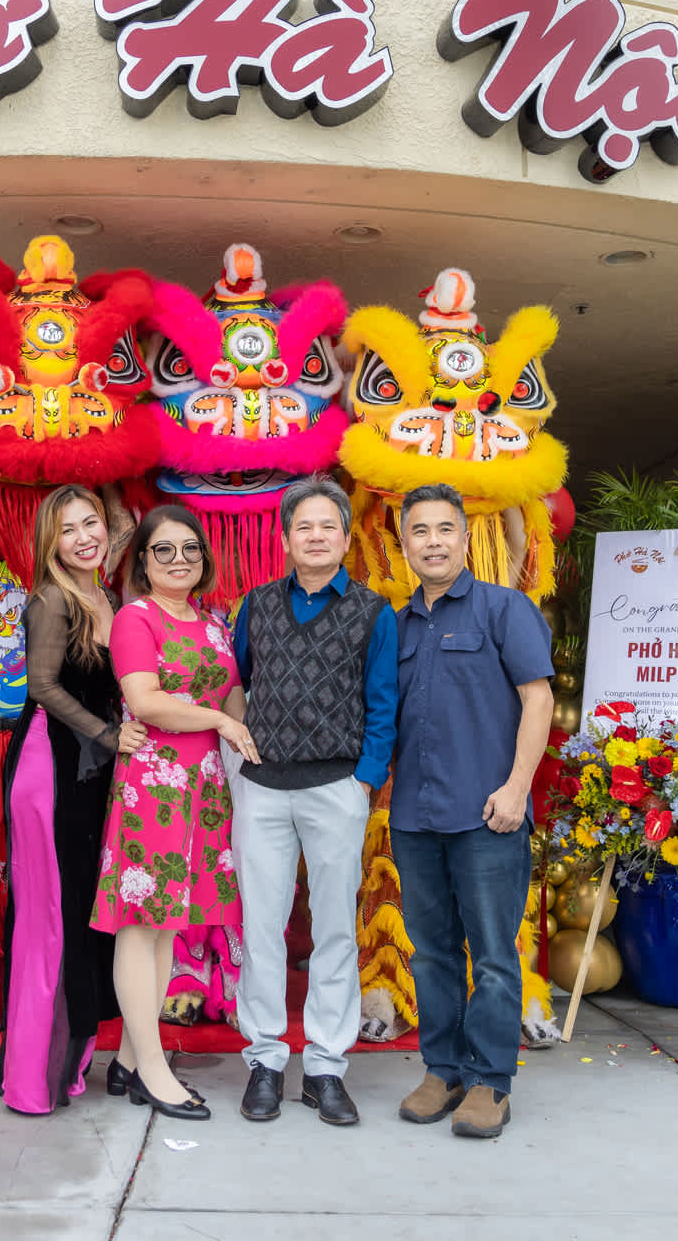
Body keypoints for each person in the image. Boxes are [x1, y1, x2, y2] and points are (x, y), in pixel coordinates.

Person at [228, 476, 397, 1128]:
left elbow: (383, 703)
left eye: (329, 526)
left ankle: (326, 1067)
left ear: (346, 538)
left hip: (336, 788)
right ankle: (266, 1061)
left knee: (334, 931)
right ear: (286, 539)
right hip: (263, 788)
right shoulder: (257, 606)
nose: (317, 536)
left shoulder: (373, 612)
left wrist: (364, 781)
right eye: (305, 526)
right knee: (262, 928)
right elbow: (239, 681)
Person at [389, 482, 556, 1140]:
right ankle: (444, 1070)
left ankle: (491, 1080)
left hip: (489, 814)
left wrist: (517, 788)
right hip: (414, 815)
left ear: (464, 537)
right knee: (431, 953)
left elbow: (538, 699)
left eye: (444, 529)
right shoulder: (395, 626)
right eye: (419, 531)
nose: (432, 542)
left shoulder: (503, 608)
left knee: (490, 954)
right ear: (404, 543)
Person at [0, 486, 147, 1115]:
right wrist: (109, 734)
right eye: (69, 529)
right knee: (49, 914)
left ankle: (62, 1059)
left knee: (76, 908)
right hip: (46, 769)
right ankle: (33, 1076)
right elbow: (43, 686)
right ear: (49, 542)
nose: (85, 538)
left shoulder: (106, 596)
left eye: (92, 524)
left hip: (87, 769)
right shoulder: (52, 599)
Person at [92, 505, 256, 1120]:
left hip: (204, 786)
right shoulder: (136, 618)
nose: (179, 559)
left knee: (168, 924)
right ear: (143, 560)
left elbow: (233, 696)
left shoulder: (213, 622)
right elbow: (145, 700)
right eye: (164, 549)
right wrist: (222, 722)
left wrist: (248, 722)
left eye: (190, 548)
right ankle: (153, 1070)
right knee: (142, 924)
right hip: (154, 784)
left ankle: (129, 1060)